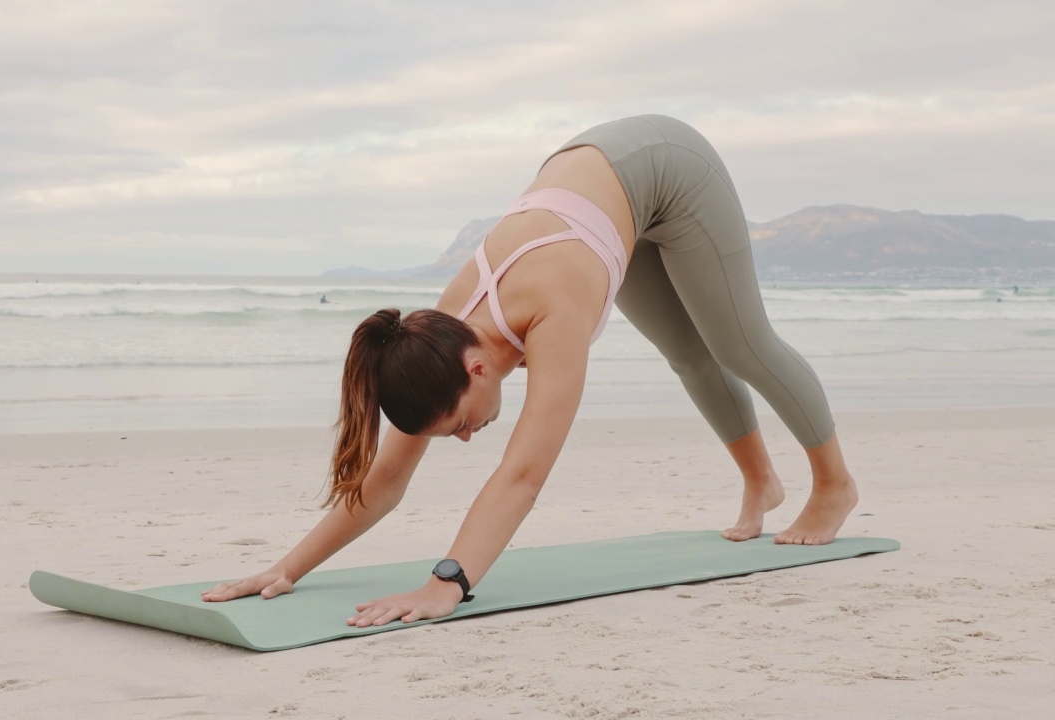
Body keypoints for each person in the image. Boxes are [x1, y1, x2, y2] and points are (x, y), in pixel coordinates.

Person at [202, 115, 859, 628]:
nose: (464, 438)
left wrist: (448, 582)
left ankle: (833, 485)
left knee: (737, 345)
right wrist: (287, 568)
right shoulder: (433, 342)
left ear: (479, 366)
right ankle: (760, 482)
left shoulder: (552, 308)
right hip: (602, 193)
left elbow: (523, 474)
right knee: (686, 354)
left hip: (670, 167)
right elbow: (387, 480)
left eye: (458, 425)